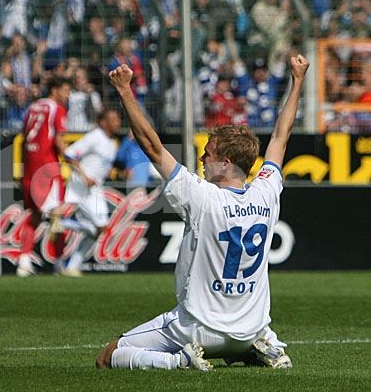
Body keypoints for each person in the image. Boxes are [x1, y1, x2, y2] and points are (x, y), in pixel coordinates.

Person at [95, 54, 310, 371]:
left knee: (108, 356)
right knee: (241, 342)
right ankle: (264, 349)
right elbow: (281, 136)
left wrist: (125, 92)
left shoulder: (202, 196)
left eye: (207, 154)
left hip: (197, 327)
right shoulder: (266, 191)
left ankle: (179, 360)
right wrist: (298, 80)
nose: (201, 160)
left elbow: (152, 147)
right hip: (251, 329)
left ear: (225, 163)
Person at [17, 76, 72, 277]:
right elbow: (58, 139)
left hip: (30, 167)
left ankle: (23, 262)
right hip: (48, 168)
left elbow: (24, 138)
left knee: (34, 216)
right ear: (55, 90)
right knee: (58, 215)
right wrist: (72, 159)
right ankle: (58, 263)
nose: (67, 95)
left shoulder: (32, 108)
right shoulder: (56, 109)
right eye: (65, 90)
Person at [58, 109, 122, 277]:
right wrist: (84, 176)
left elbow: (101, 167)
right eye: (114, 118)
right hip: (83, 188)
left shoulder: (111, 143)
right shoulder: (95, 136)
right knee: (100, 226)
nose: (118, 122)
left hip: (96, 189)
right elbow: (69, 154)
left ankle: (71, 265)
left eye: (118, 119)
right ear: (103, 122)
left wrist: (119, 174)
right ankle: (65, 221)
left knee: (99, 230)